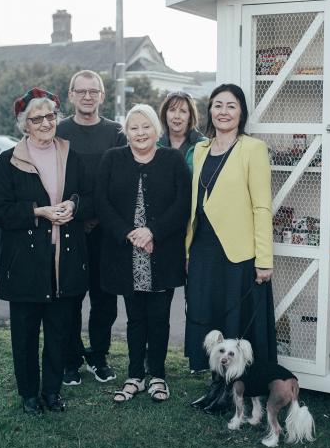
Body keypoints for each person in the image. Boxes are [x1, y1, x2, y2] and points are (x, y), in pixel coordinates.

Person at [0, 87, 91, 414]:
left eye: (50, 116)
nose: (46, 123)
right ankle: (29, 395)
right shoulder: (9, 160)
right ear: (24, 124)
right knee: (26, 335)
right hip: (26, 265)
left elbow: (87, 195)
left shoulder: (71, 155)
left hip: (65, 261)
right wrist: (37, 211)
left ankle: (52, 392)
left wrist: (74, 205)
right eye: (37, 118)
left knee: (59, 333)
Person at [184, 83, 277, 414]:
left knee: (235, 320)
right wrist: (187, 250)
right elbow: (197, 203)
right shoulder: (200, 149)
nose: (223, 111)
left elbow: (262, 207)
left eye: (231, 106)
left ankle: (236, 390)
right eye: (217, 105)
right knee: (208, 318)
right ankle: (215, 384)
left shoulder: (253, 149)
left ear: (241, 113)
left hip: (238, 253)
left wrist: (264, 259)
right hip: (203, 250)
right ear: (210, 111)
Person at [95, 104, 190, 403]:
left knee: (160, 317)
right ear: (127, 131)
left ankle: (158, 375)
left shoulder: (172, 159)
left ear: (156, 130)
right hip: (126, 254)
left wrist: (152, 232)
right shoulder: (113, 159)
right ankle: (134, 374)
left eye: (145, 126)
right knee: (135, 318)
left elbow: (183, 204)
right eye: (134, 127)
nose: (140, 133)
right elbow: (102, 202)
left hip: (161, 252)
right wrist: (130, 233)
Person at [56, 70, 126, 386]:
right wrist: (77, 212)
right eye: (81, 91)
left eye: (93, 91)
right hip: (69, 229)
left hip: (106, 230)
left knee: (104, 300)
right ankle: (71, 360)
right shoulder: (57, 131)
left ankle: (98, 357)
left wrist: (98, 214)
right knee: (69, 299)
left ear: (102, 95)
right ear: (71, 95)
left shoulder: (116, 133)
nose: (87, 96)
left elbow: (120, 183)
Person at [157, 91, 206, 172]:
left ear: (190, 116)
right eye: (172, 110)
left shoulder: (205, 145)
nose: (177, 116)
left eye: (183, 111)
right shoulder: (154, 145)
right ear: (165, 114)